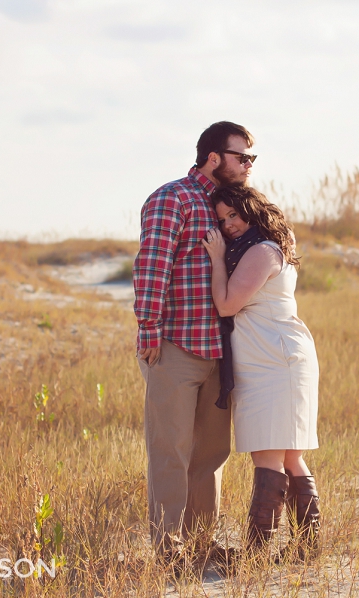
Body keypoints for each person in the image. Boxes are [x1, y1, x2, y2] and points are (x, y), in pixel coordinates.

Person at [132, 121, 256, 566]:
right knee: (171, 450)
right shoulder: (173, 197)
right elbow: (152, 265)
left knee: (211, 453)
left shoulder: (232, 205)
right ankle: (169, 550)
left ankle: (202, 545)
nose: (247, 166)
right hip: (175, 347)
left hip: (220, 352)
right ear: (213, 158)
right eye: (242, 157)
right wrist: (148, 328)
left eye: (250, 159)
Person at [201, 186, 321, 556]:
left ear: (251, 210)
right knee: (286, 455)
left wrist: (218, 258)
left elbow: (225, 304)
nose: (228, 225)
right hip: (270, 355)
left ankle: (255, 554)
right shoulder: (261, 247)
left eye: (233, 215)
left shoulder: (261, 251)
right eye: (222, 220)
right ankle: (307, 547)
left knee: (271, 455)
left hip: (276, 359)